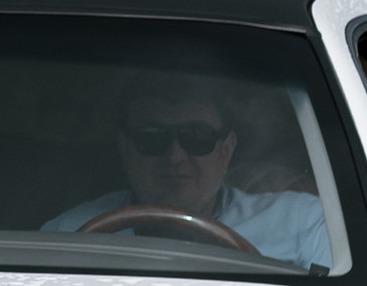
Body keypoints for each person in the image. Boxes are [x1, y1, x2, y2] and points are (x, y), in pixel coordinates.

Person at [46, 71, 332, 271]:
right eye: (152, 137)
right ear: (124, 147)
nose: (175, 156)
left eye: (197, 137)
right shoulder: (69, 234)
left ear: (227, 149)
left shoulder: (302, 225)